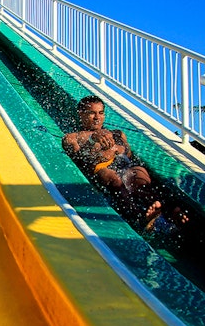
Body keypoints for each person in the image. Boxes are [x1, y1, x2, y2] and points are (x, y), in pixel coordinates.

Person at [63, 95, 187, 231]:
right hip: (102, 170)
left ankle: (165, 210)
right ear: (81, 114)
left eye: (101, 113)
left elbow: (128, 154)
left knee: (139, 174)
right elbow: (80, 159)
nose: (97, 117)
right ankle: (139, 218)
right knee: (113, 177)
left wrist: (118, 148)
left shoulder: (117, 133)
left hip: (124, 165)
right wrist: (93, 141)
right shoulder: (73, 137)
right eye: (92, 113)